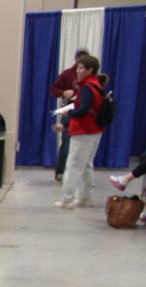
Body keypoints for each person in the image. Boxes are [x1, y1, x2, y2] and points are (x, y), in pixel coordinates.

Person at [53, 55, 106, 209]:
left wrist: (68, 113)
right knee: (86, 164)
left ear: (90, 70)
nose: (77, 71)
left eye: (81, 68)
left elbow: (83, 110)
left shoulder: (87, 87)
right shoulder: (96, 84)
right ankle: (84, 197)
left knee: (74, 165)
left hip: (84, 130)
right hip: (95, 130)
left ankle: (67, 199)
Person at [51, 48, 90, 182]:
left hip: (83, 112)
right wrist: (63, 92)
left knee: (82, 146)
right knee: (67, 143)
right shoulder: (67, 74)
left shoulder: (90, 77)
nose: (81, 60)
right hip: (69, 111)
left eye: (84, 58)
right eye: (79, 57)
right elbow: (54, 90)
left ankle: (78, 174)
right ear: (75, 58)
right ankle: (60, 171)